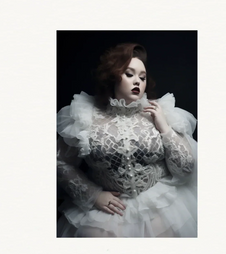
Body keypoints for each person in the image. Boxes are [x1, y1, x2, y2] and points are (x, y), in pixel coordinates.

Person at [57, 42, 197, 237]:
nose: (137, 82)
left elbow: (185, 168)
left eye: (142, 77)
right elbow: (60, 161)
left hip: (161, 206)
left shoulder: (162, 111)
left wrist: (164, 127)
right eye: (129, 74)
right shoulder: (84, 115)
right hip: (107, 214)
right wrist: (92, 195)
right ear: (112, 77)